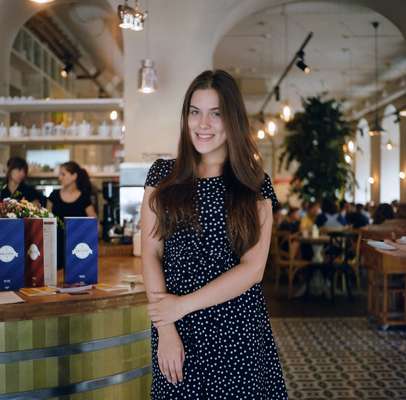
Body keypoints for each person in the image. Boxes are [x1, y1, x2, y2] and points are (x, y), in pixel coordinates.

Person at [141, 70, 288, 399]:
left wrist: (182, 306)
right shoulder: (163, 174)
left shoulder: (253, 183)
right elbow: (150, 251)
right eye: (195, 112)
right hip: (177, 330)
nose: (202, 123)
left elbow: (253, 269)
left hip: (237, 328)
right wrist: (165, 326)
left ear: (232, 118)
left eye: (215, 113)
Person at [48, 161, 97, 268]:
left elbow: (94, 223)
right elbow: (46, 220)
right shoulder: (54, 195)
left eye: (63, 174)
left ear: (74, 176)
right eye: (59, 174)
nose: (60, 178)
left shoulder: (84, 197)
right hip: (55, 248)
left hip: (78, 248)